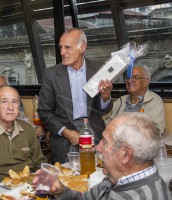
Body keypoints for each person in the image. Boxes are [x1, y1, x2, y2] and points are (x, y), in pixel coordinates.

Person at [32, 112, 172, 200]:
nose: (97, 148)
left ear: (125, 154)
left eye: (104, 142)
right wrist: (60, 191)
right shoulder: (115, 178)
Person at [38, 28, 113, 163]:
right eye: (61, 47)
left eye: (67, 47)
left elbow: (104, 110)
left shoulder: (98, 69)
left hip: (94, 133)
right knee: (69, 179)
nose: (62, 52)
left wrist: (105, 96)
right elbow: (44, 112)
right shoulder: (51, 75)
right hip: (65, 137)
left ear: (82, 47)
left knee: (99, 174)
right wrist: (66, 132)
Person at [0, 86, 47, 186]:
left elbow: (40, 162)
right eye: (4, 102)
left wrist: (43, 186)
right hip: (1, 189)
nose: (11, 107)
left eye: (14, 102)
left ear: (19, 105)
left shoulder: (27, 129)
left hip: (31, 186)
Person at [104, 65, 165, 135]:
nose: (130, 81)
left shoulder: (154, 100)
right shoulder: (120, 101)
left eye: (135, 77)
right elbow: (107, 124)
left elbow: (157, 130)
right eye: (128, 78)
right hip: (119, 143)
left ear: (145, 82)